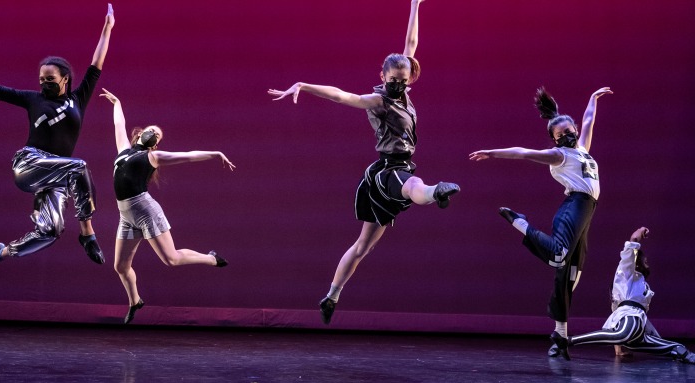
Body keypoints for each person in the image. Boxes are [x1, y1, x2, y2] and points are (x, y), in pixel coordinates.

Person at [268, 0, 460, 325]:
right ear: (382, 76)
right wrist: (304, 85)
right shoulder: (380, 101)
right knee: (413, 186)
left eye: (403, 78)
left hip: (393, 171)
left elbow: (410, 45)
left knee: (362, 248)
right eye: (393, 79)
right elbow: (343, 96)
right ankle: (436, 192)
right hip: (388, 171)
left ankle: (331, 296)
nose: (398, 83)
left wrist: (414, 6)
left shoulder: (405, 94)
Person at [0, 4, 115, 270]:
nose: (44, 83)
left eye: (50, 78)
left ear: (65, 79)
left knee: (51, 231)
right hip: (30, 164)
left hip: (55, 177)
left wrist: (107, 28)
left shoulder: (78, 98)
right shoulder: (33, 99)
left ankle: (2, 252)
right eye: (41, 79)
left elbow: (96, 63)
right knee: (80, 167)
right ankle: (87, 233)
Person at [469, 86, 612, 353]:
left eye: (570, 131)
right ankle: (520, 222)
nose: (568, 135)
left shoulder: (582, 149)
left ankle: (560, 336)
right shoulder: (558, 156)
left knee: (570, 275)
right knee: (558, 257)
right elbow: (522, 152)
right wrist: (492, 152)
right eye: (561, 135)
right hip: (574, 207)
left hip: (586, 212)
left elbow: (589, 120)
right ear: (555, 140)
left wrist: (592, 98)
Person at [100, 89, 235, 324]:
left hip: (145, 211)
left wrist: (215, 153)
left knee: (171, 259)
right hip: (125, 215)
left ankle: (211, 258)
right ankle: (135, 301)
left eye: (159, 136)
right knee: (121, 267)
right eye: (153, 131)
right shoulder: (123, 151)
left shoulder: (154, 157)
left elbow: (189, 156)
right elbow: (119, 124)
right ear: (142, 133)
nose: (155, 135)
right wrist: (117, 102)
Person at [549, 227, 695, 364]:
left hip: (636, 331)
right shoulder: (627, 271)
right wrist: (639, 232)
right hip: (629, 323)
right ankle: (566, 341)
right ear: (636, 263)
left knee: (675, 347)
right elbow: (632, 245)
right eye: (645, 260)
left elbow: (626, 315)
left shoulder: (640, 284)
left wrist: (620, 349)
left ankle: (684, 354)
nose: (647, 262)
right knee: (623, 333)